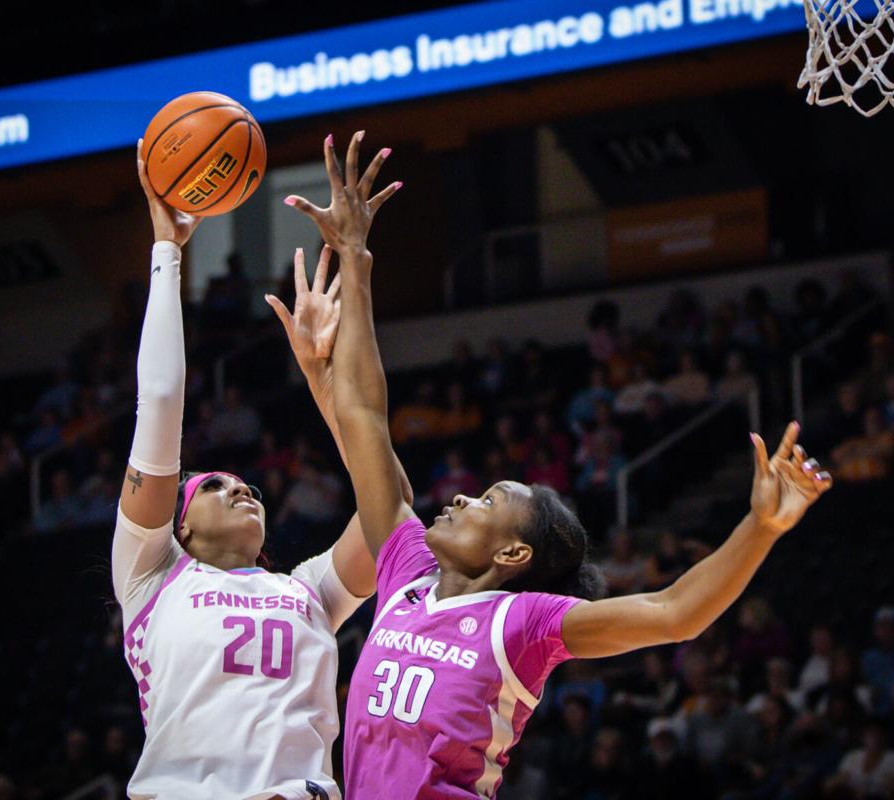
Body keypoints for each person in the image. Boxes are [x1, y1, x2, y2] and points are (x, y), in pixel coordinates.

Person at [286, 131, 833, 798]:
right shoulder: (405, 572)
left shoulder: (523, 625)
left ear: (514, 555)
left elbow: (673, 612)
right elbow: (367, 418)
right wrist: (356, 258)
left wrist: (762, 528)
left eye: (486, 501)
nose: (458, 500)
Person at [110, 139, 404, 800]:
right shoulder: (151, 579)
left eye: (240, 483)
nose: (237, 484)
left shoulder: (308, 592)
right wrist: (168, 249)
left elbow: (393, 510)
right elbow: (158, 402)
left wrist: (329, 375)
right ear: (176, 530)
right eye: (211, 486)